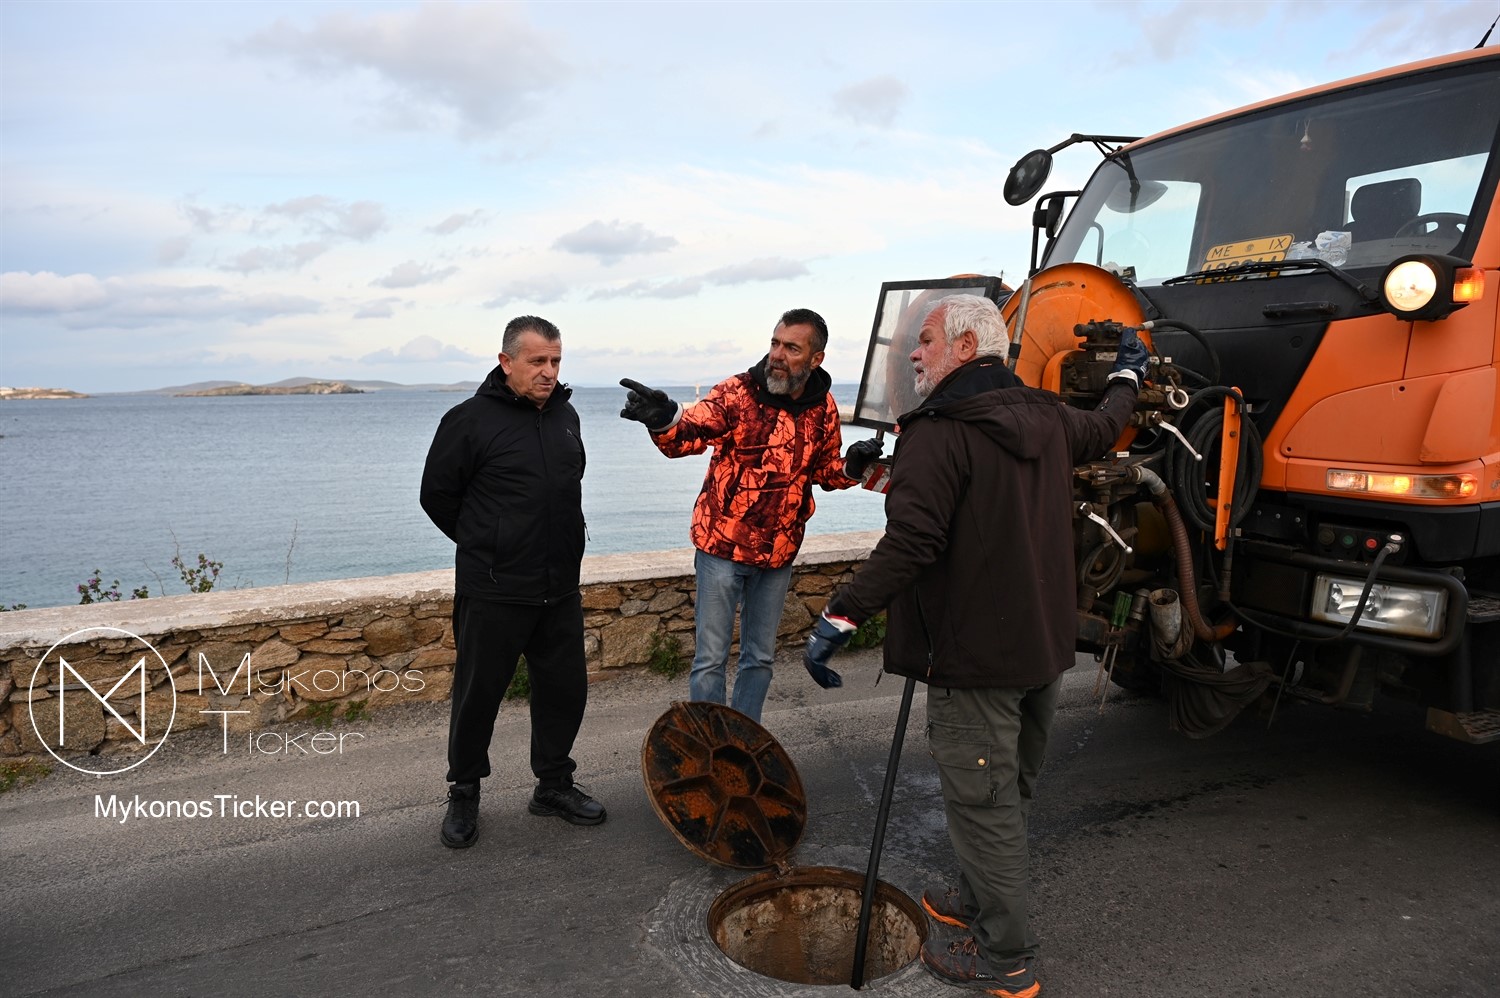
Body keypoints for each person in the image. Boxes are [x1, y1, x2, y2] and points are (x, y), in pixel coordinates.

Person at [802, 294, 1147, 997]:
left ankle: (1005, 961)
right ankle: (973, 895)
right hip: (1042, 646)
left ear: (965, 347)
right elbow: (1107, 425)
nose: (914, 352)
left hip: (976, 656)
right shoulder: (1047, 416)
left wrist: (840, 617)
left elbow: (915, 539)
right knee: (1004, 791)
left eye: (926, 340)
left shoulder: (938, 430)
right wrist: (1128, 376)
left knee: (983, 805)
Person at [618, 308, 881, 724]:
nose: (777, 354)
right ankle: (710, 742)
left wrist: (851, 466)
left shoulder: (824, 408)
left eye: (791, 348)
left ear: (816, 359)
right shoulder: (738, 392)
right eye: (775, 343)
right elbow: (692, 431)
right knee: (710, 659)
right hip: (721, 547)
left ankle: (744, 740)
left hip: (778, 554)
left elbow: (824, 473)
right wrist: (664, 419)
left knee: (759, 658)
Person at [420, 314, 605, 850]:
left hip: (559, 586)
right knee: (477, 696)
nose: (549, 371)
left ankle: (553, 786)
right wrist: (489, 544)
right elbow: (437, 496)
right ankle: (464, 792)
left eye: (556, 361)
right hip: (494, 588)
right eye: (537, 361)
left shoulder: (566, 415)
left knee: (564, 691)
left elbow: (569, 485)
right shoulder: (469, 420)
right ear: (506, 362)